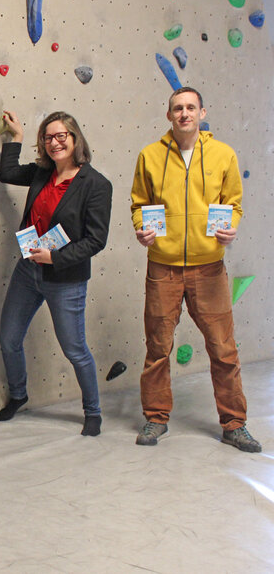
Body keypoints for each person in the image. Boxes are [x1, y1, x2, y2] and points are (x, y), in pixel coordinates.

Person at [130, 86, 261, 452]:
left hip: (209, 268)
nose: (184, 113)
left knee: (223, 350)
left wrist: (231, 226)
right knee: (157, 348)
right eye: (177, 108)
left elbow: (233, 203)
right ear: (169, 115)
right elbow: (139, 203)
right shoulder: (150, 156)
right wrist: (142, 228)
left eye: (190, 107)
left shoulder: (223, 154)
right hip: (162, 268)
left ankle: (234, 424)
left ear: (202, 113)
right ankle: (156, 418)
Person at [0, 111, 112, 436]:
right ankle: (18, 395)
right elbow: (7, 173)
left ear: (75, 139)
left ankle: (93, 411)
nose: (55, 142)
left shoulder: (96, 185)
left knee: (75, 349)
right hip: (27, 270)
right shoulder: (41, 174)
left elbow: (96, 240)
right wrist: (15, 138)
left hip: (65, 280)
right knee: (8, 339)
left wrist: (56, 257)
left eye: (61, 136)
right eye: (48, 137)